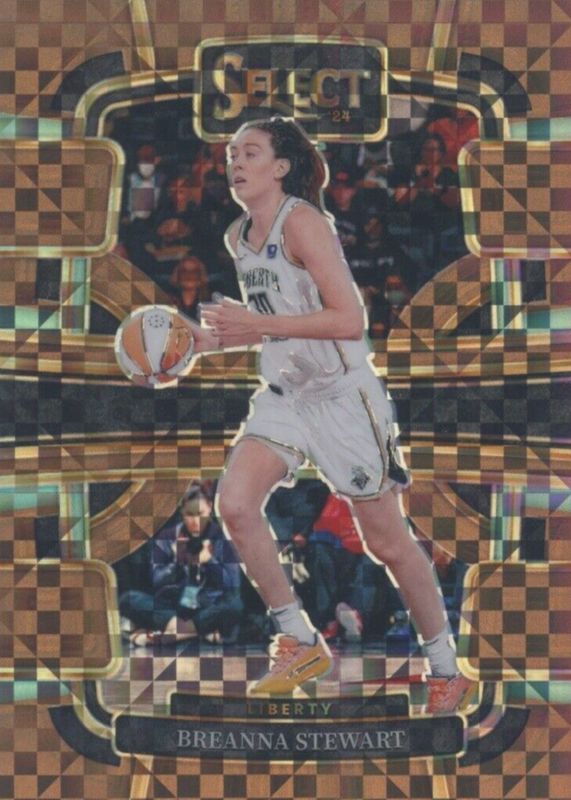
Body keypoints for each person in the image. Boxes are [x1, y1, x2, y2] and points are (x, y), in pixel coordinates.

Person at [185, 117, 475, 713]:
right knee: (234, 504)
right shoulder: (239, 236)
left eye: (250, 152)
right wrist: (197, 345)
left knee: (387, 544)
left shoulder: (304, 223)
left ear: (281, 167)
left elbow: (349, 320)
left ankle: (446, 668)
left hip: (343, 398)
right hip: (286, 396)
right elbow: (271, 324)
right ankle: (298, 639)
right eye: (232, 153)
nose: (235, 162)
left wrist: (256, 323)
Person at [119, 484, 243, 646]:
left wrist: (209, 562)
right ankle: (193, 633)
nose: (195, 521)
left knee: (234, 605)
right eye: (189, 515)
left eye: (200, 514)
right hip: (173, 607)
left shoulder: (222, 537)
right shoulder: (167, 536)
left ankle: (172, 634)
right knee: (128, 599)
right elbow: (156, 580)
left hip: (206, 607)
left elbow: (233, 584)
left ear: (210, 508)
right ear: (181, 512)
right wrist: (177, 563)